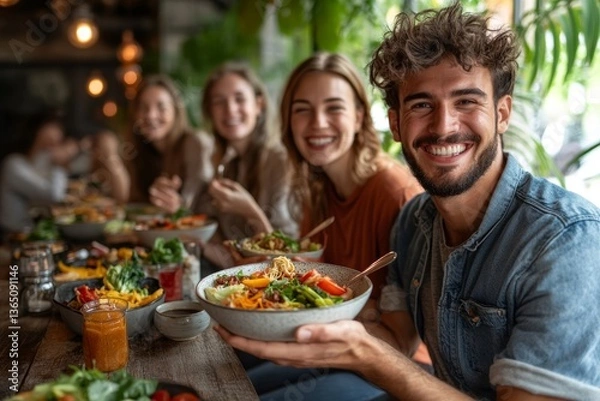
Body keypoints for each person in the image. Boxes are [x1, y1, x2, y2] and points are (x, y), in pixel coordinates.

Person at [216, 3, 600, 401]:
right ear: (396, 123)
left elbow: (389, 358)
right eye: (421, 105)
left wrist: (365, 354)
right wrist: (300, 310)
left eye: (466, 101)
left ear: (502, 114)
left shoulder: (566, 241)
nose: (444, 126)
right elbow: (396, 337)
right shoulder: (413, 223)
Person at [232, 52, 425, 400]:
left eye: (334, 107)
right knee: (228, 374)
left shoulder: (395, 193)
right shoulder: (319, 189)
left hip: (396, 372)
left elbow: (403, 348)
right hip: (336, 346)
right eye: (302, 109)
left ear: (358, 117)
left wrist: (339, 303)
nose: (317, 122)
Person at [152, 62, 297, 271]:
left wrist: (251, 212)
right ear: (210, 112)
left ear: (259, 105)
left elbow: (289, 261)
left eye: (239, 99)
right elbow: (225, 254)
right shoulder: (224, 163)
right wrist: (179, 213)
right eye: (219, 102)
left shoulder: (280, 160)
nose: (230, 109)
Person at [127, 74, 213, 209]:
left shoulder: (195, 143)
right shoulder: (139, 151)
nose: (150, 115)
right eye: (144, 108)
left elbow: (203, 206)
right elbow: (132, 203)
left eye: (161, 107)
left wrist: (179, 206)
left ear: (176, 111)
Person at [0, 111, 83, 235]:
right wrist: (58, 162)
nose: (59, 134)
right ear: (38, 129)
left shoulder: (39, 163)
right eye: (54, 127)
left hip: (33, 233)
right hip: (12, 237)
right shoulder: (13, 164)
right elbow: (54, 195)